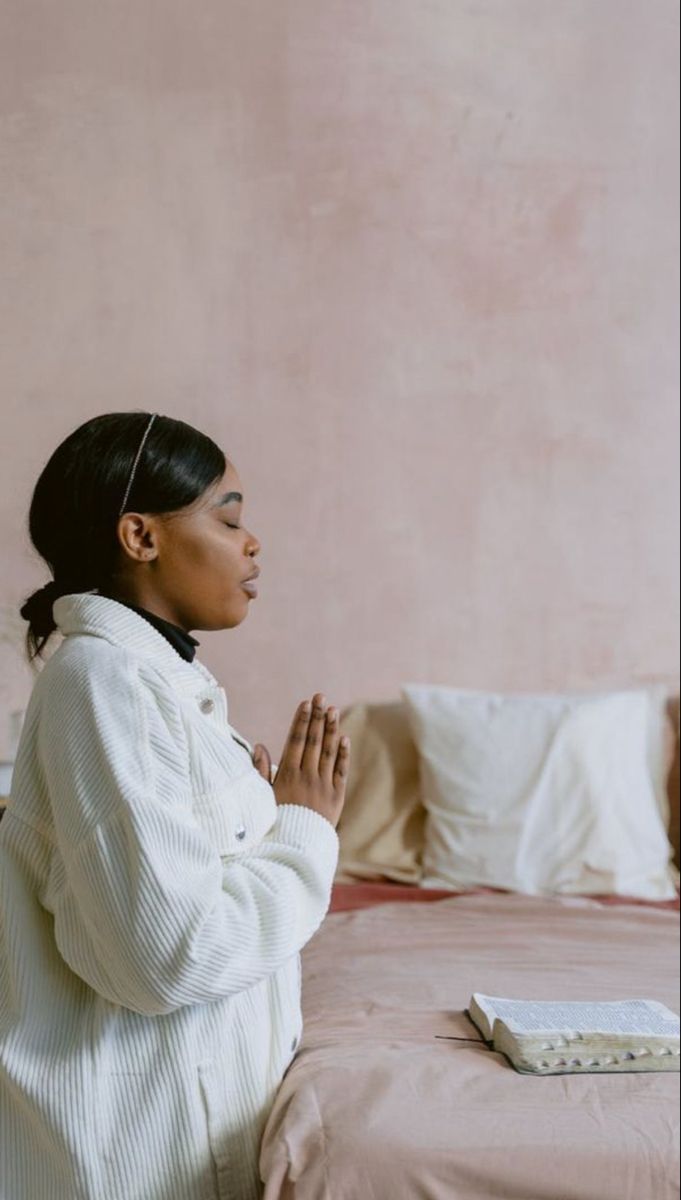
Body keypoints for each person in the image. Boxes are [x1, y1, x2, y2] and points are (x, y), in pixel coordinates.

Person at [0, 411, 351, 1200]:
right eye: (228, 515)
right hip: (134, 1159)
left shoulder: (153, 683)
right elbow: (167, 956)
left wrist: (264, 818)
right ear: (140, 536)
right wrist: (303, 829)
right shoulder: (105, 684)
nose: (253, 542)